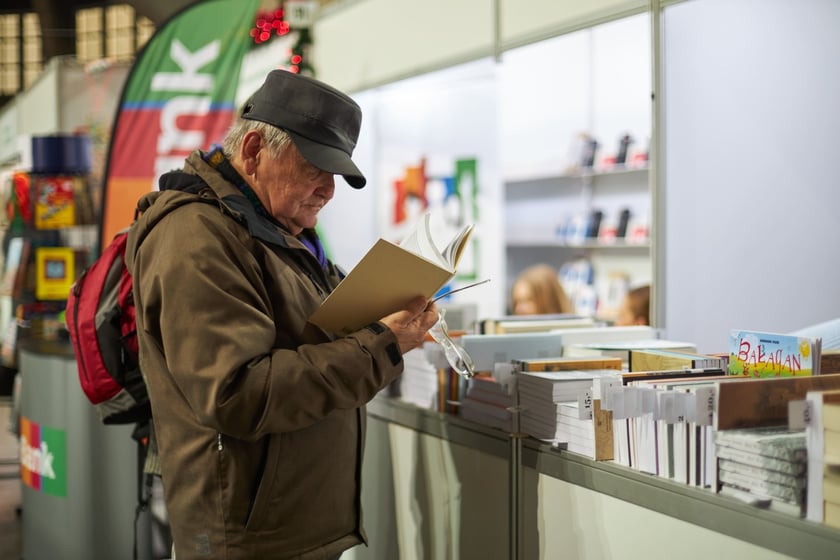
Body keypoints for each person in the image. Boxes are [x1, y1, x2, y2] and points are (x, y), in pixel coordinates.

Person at [124, 70, 440, 560]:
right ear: (254, 151)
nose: (329, 190)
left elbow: (307, 338)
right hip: (245, 538)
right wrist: (381, 345)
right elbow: (238, 393)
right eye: (316, 168)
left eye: (336, 176)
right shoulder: (196, 237)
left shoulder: (277, 230)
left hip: (288, 527)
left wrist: (385, 315)